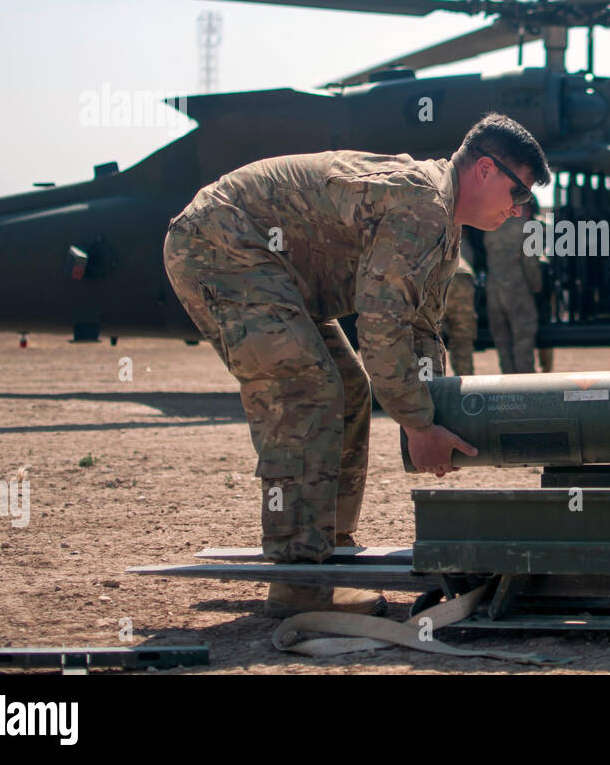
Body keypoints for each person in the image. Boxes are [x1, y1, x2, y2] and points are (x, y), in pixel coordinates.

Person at [162, 113, 550, 615]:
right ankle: (301, 585)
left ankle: (329, 554)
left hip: (272, 270)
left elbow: (420, 331)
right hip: (220, 246)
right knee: (309, 391)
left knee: (345, 388)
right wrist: (417, 424)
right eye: (519, 194)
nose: (520, 211)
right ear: (484, 171)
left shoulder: (445, 228)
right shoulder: (423, 205)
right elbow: (381, 330)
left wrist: (442, 418)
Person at [483, 194, 543, 373]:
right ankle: (524, 389)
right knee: (523, 341)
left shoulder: (491, 228)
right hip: (517, 291)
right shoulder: (527, 229)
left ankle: (508, 388)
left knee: (503, 344)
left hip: (493, 292)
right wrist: (537, 287)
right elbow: (530, 264)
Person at [441, 243, 478, 376]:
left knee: (429, 338)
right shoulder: (463, 242)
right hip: (463, 277)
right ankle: (466, 386)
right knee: (462, 338)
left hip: (439, 277)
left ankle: (433, 385)